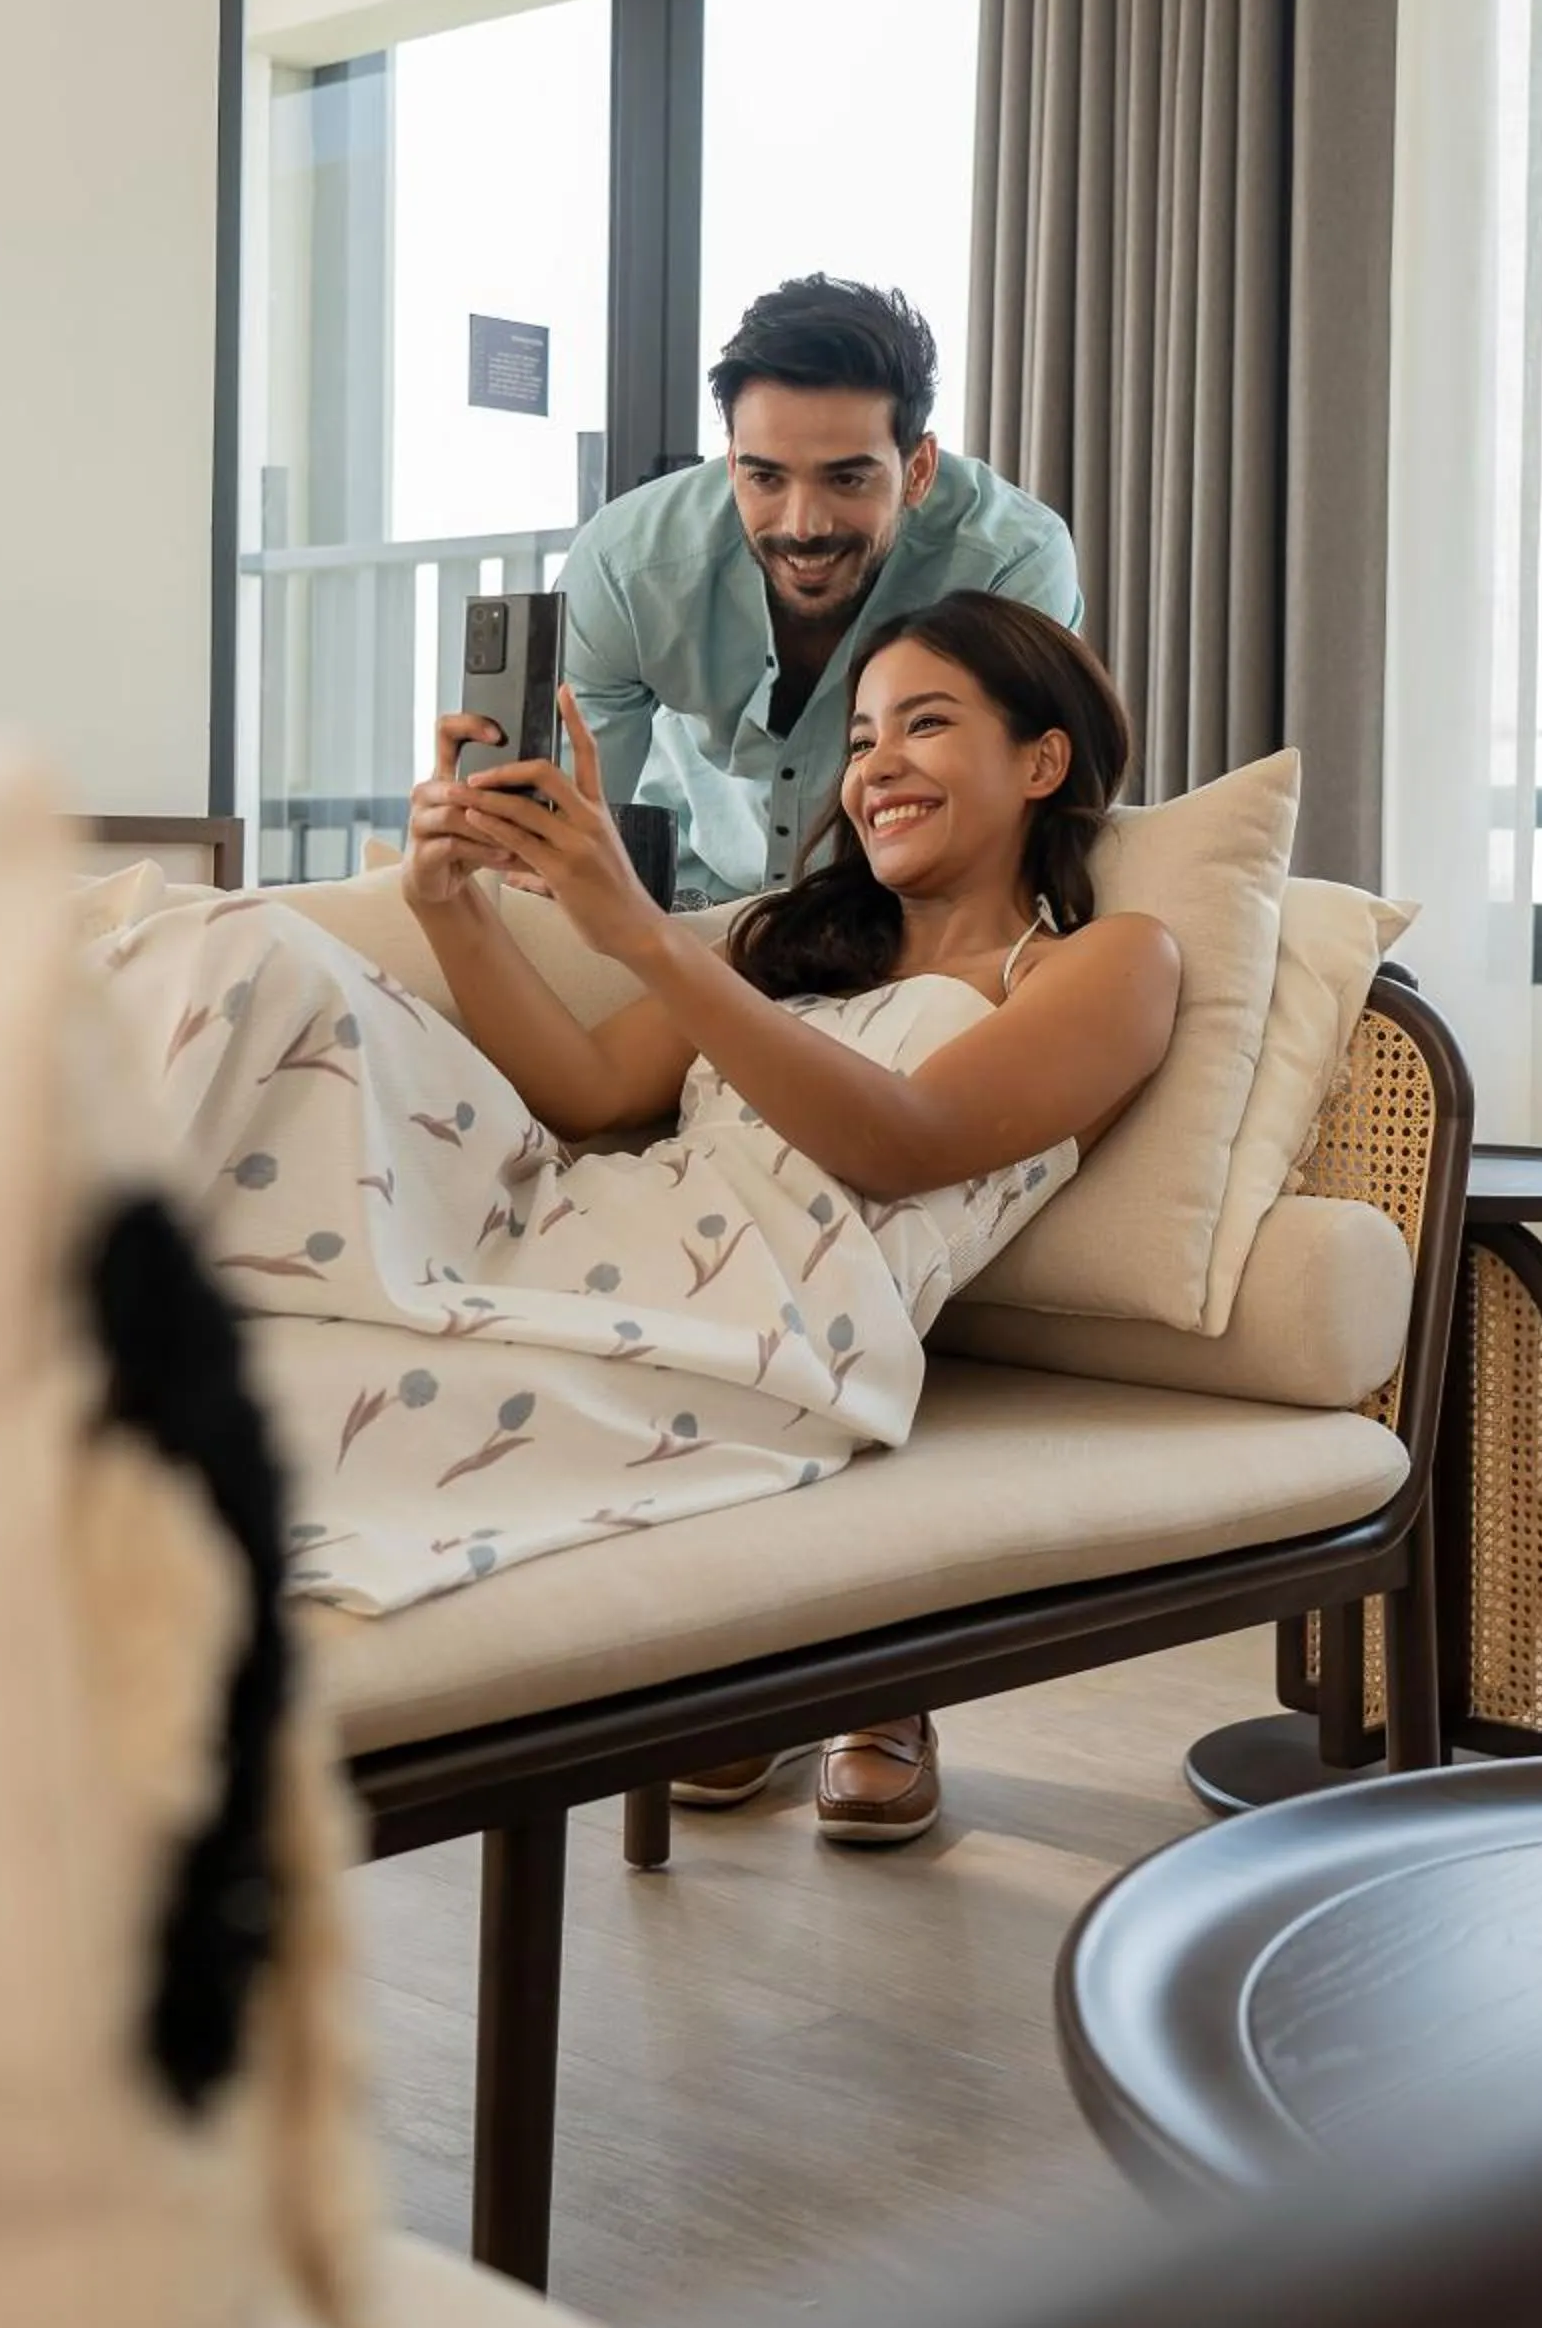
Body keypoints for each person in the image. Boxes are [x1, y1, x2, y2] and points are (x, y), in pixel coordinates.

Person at [92, 595, 1178, 1849]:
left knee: (268, 1407)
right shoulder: (794, 944)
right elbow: (585, 1093)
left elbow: (905, 1144)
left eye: (923, 727)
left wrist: (649, 939)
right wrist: (448, 897)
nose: (875, 765)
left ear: (1041, 760)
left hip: (754, 1329)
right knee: (232, 938)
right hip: (572, 1230)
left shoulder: (1105, 963)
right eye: (865, 735)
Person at [557, 275, 1084, 907]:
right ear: (731, 465)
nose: (802, 526)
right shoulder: (625, 565)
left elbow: (1014, 816)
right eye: (766, 478)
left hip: (898, 907)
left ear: (916, 471)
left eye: (847, 480)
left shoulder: (1011, 561)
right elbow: (562, 828)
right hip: (689, 901)